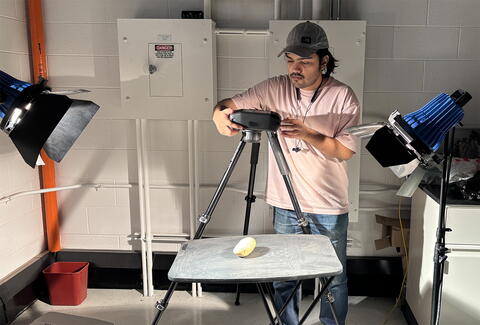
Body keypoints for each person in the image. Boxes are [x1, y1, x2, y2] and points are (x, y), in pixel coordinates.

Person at [212, 21, 360, 325]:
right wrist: (219, 113)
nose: (296, 68)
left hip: (328, 205)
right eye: (291, 59)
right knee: (285, 276)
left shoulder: (343, 96)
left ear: (324, 61)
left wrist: (309, 134)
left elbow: (345, 151)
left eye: (305, 62)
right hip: (285, 203)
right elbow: (229, 103)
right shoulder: (273, 87)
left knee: (333, 277)